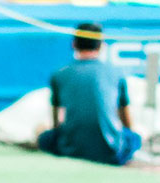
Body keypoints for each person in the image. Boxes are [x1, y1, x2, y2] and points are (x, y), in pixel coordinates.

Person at [36, 23, 142, 166]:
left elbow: (56, 118)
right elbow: (124, 114)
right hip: (111, 154)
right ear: (101, 46)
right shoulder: (117, 73)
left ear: (74, 44)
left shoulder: (60, 74)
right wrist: (129, 131)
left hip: (69, 151)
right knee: (135, 137)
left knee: (42, 134)